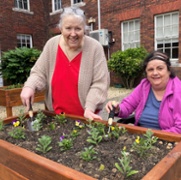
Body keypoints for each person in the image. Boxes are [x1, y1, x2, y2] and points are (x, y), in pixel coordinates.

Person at [20, 6, 110, 120]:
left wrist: (90, 107)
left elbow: (100, 83)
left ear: (84, 29)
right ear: (61, 29)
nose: (73, 34)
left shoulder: (94, 48)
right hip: (56, 117)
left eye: (78, 28)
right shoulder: (51, 45)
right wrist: (30, 86)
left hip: (87, 117)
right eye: (68, 28)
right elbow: (39, 72)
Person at [105, 51, 181, 134]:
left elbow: (179, 129)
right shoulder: (144, 86)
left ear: (169, 70)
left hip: (168, 140)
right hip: (142, 138)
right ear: (146, 73)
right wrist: (117, 108)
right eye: (150, 69)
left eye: (160, 68)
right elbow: (127, 106)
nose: (155, 73)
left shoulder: (178, 91)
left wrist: (151, 137)